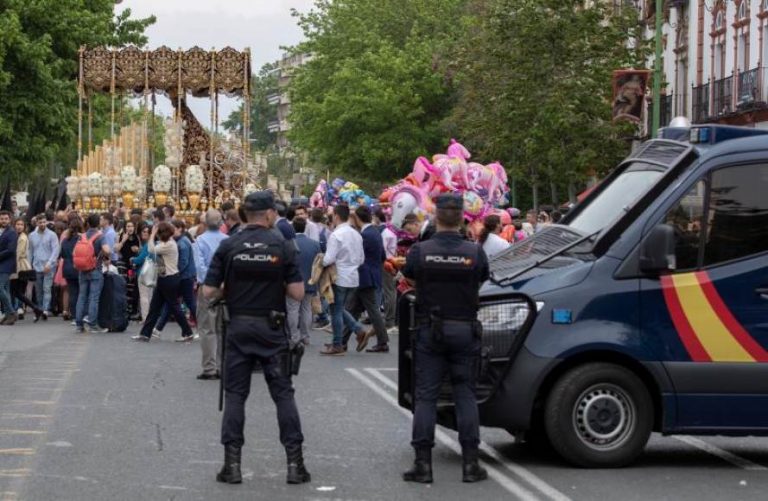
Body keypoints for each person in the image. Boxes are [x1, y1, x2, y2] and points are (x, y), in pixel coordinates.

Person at [202, 191, 310, 486]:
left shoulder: (229, 245)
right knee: (283, 394)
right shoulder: (283, 245)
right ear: (270, 214)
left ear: (245, 213)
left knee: (236, 395)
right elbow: (298, 293)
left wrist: (229, 290)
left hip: (238, 327)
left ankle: (232, 466)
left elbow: (208, 292)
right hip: (271, 328)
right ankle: (294, 465)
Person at [401, 194, 490, 484]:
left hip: (431, 328)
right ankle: (470, 464)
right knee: (465, 394)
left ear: (436, 217)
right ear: (463, 217)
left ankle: (423, 464)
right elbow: (481, 280)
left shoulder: (420, 250)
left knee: (426, 395)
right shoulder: (475, 252)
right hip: (464, 328)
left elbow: (410, 279)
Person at [319, 204, 369, 356]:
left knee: (335, 311)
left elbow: (328, 259)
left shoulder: (336, 235)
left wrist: (320, 260)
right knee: (339, 309)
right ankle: (354, 332)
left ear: (336, 216)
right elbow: (361, 259)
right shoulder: (357, 234)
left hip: (338, 276)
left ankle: (338, 344)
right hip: (353, 277)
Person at [132, 222, 195, 342]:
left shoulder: (169, 245)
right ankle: (145, 334)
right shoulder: (168, 243)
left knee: (175, 307)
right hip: (165, 278)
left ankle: (187, 332)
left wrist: (152, 234)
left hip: (169, 279)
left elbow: (151, 249)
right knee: (155, 307)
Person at [342, 205, 389, 353]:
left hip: (364, 277)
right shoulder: (374, 232)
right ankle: (341, 341)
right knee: (352, 309)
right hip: (370, 275)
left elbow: (356, 257)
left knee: (371, 311)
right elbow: (383, 256)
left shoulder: (365, 235)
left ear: (357, 218)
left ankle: (382, 342)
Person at [193, 209, 228, 380]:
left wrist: (210, 281)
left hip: (207, 286)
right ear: (221, 223)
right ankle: (222, 366)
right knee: (222, 327)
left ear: (205, 223)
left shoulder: (200, 240)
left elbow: (200, 266)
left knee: (207, 328)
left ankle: (209, 367)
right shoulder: (228, 241)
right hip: (225, 287)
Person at [152, 219, 198, 340]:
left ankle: (198, 328)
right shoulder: (180, 241)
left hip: (183, 277)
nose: (171, 232)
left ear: (180, 229)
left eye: (174, 229)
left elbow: (183, 263)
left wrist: (174, 273)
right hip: (183, 276)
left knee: (184, 303)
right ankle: (159, 329)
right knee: (172, 303)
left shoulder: (181, 243)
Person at [287, 217, 321, 346]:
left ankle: (294, 336)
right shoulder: (314, 244)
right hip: (310, 281)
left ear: (293, 227)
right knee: (307, 309)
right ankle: (305, 336)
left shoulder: (290, 243)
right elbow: (319, 263)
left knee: (293, 309)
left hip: (293, 282)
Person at [74, 214, 110, 333]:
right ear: (98, 223)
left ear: (88, 223)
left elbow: (75, 252)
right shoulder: (100, 236)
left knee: (82, 296)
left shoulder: (82, 236)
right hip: (95, 269)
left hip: (82, 269)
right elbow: (106, 250)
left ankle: (79, 324)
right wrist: (106, 255)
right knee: (94, 298)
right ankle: (92, 324)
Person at [10, 218, 45, 322]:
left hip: (20, 267)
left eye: (21, 224)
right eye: (17, 224)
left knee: (16, 292)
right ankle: (36, 309)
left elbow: (18, 253)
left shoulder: (22, 238)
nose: (19, 226)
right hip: (21, 265)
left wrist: (11, 268)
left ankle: (35, 308)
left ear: (24, 227)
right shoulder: (19, 236)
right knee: (17, 292)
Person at [29, 214, 60, 317]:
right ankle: (40, 308)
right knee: (38, 290)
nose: (42, 224)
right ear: (36, 223)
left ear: (46, 222)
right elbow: (30, 251)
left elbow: (55, 250)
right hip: (36, 265)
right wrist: (29, 265)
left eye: (44, 222)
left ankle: (45, 309)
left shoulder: (52, 235)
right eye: (40, 222)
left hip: (49, 266)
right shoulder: (32, 236)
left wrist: (50, 263)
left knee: (47, 288)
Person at [59, 217, 82, 323]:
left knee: (72, 292)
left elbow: (62, 254)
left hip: (67, 268)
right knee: (80, 292)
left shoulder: (65, 240)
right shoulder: (81, 239)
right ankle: (79, 315)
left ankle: (73, 315)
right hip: (78, 267)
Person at [131, 223, 154, 321]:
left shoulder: (148, 245)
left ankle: (146, 318)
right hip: (151, 272)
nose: (144, 233)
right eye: (143, 231)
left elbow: (141, 259)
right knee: (149, 296)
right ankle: (149, 317)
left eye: (146, 232)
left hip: (144, 272)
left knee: (144, 296)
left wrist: (132, 259)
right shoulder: (151, 244)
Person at [0, 211, 18, 325]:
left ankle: (11, 312)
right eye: (1, 219)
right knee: (5, 289)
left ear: (10, 220)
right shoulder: (3, 232)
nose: (3, 221)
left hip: (7, 265)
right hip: (2, 264)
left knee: (0, 288)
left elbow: (11, 250)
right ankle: (8, 316)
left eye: (6, 219)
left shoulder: (11, 232)